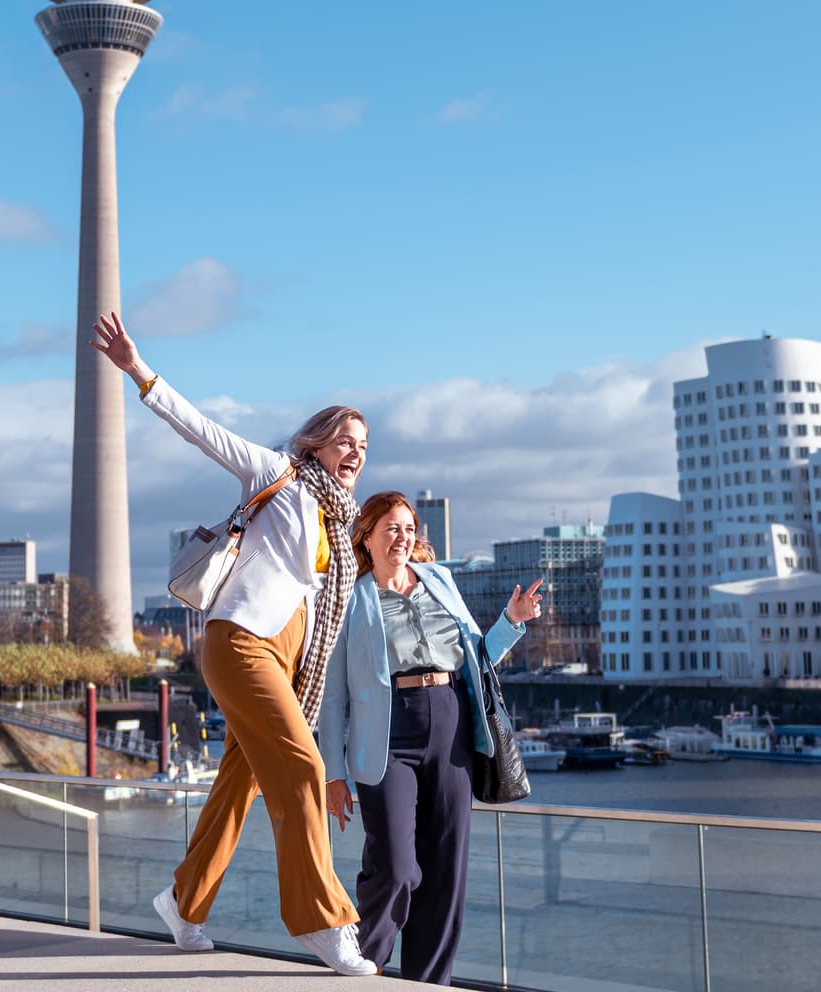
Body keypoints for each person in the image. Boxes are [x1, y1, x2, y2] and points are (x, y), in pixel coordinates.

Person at [88, 311, 375, 977]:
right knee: (303, 769)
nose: (355, 450)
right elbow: (201, 429)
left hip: (286, 657)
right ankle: (322, 920)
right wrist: (139, 370)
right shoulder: (278, 474)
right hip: (241, 641)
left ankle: (184, 903)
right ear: (315, 443)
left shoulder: (342, 520)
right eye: (344, 439)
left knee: (237, 788)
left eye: (363, 443)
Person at [317, 491, 542, 984]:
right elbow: (332, 700)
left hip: (453, 721)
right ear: (367, 537)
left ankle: (427, 981)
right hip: (388, 733)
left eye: (408, 527)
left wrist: (513, 622)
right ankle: (365, 963)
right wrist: (333, 774)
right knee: (395, 864)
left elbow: (478, 658)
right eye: (390, 528)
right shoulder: (348, 599)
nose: (401, 536)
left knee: (445, 864)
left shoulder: (440, 580)